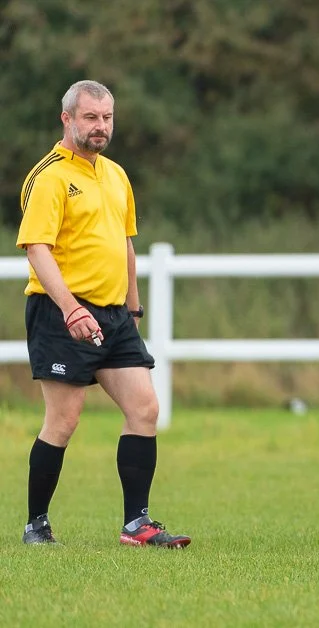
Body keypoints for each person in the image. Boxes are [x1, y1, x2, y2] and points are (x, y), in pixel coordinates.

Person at [18, 80, 189, 548]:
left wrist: (133, 306)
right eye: (91, 117)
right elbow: (37, 248)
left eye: (107, 117)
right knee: (64, 421)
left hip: (114, 316)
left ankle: (137, 524)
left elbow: (125, 243)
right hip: (60, 313)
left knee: (145, 408)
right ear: (67, 119)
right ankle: (37, 523)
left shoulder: (115, 174)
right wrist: (71, 308)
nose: (101, 127)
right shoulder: (49, 176)